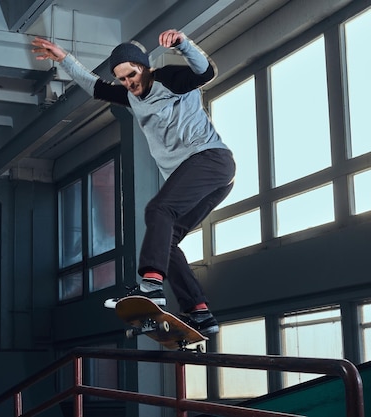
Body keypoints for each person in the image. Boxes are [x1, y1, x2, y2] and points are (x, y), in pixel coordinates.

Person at [31, 30, 235, 336]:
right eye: (123, 79)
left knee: (158, 210)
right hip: (207, 179)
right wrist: (65, 60)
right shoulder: (128, 95)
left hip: (210, 160)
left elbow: (205, 71)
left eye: (132, 75)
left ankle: (151, 285)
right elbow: (95, 86)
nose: (129, 83)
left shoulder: (168, 80)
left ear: (145, 68)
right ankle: (199, 311)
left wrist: (183, 44)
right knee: (166, 241)